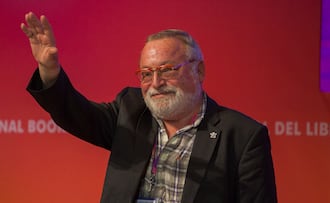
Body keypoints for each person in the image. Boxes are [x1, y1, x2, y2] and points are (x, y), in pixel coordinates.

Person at [21, 12, 277, 203]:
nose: (156, 83)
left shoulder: (242, 136)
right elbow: (74, 113)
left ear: (199, 71)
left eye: (166, 70)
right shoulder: (131, 111)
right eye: (146, 73)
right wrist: (50, 71)